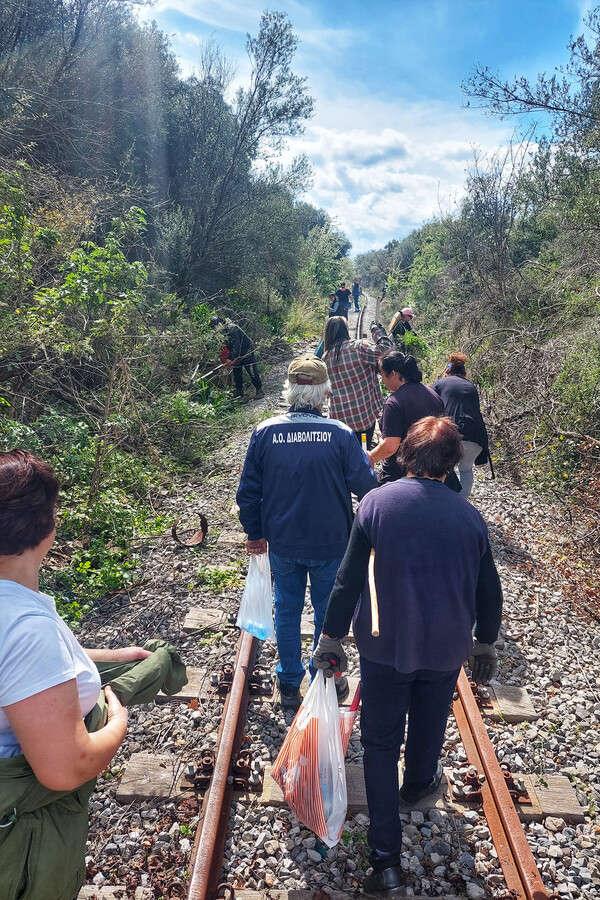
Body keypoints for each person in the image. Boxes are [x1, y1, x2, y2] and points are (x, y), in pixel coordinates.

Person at [313, 416, 503, 894]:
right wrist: (486, 641)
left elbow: (348, 578)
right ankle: (418, 784)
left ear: (406, 456)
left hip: (386, 645)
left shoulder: (377, 505)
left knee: (378, 745)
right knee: (430, 718)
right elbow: (488, 590)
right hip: (445, 647)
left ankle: (386, 863)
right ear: (452, 463)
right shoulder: (469, 516)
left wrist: (331, 636)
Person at [0, 450, 187, 900]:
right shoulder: (27, 628)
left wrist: (107, 655)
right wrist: (118, 721)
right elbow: (67, 768)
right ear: (46, 528)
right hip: (22, 839)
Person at [236, 354, 377, 711]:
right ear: (325, 391)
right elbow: (367, 487)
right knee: (327, 612)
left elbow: (248, 493)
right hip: (332, 543)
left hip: (283, 541)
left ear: (289, 389)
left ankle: (287, 681)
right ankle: (322, 681)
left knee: (286, 610)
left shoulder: (265, 432)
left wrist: (255, 534)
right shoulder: (341, 435)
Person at [367, 351, 443, 483]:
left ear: (393, 374)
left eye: (382, 376)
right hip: (432, 469)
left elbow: (390, 446)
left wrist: (369, 458)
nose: (383, 381)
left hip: (400, 472)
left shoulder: (394, 402)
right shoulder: (433, 395)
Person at [323, 316, 393, 449]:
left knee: (345, 455)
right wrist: (376, 331)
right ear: (345, 329)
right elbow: (387, 351)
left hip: (339, 420)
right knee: (362, 452)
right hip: (363, 418)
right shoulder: (359, 347)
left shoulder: (325, 357)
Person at [432, 352, 490, 499]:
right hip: (476, 437)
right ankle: (463, 502)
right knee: (465, 469)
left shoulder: (440, 384)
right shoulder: (471, 386)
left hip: (452, 435)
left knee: (443, 468)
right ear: (465, 373)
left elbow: (431, 407)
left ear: (447, 372)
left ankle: (444, 501)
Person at [209, 315, 263, 400]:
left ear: (220, 324)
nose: (215, 329)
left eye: (215, 327)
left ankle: (259, 390)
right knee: (237, 372)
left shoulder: (232, 329)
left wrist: (230, 358)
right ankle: (239, 391)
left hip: (246, 351)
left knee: (251, 371)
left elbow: (236, 346)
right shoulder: (222, 333)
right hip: (236, 354)